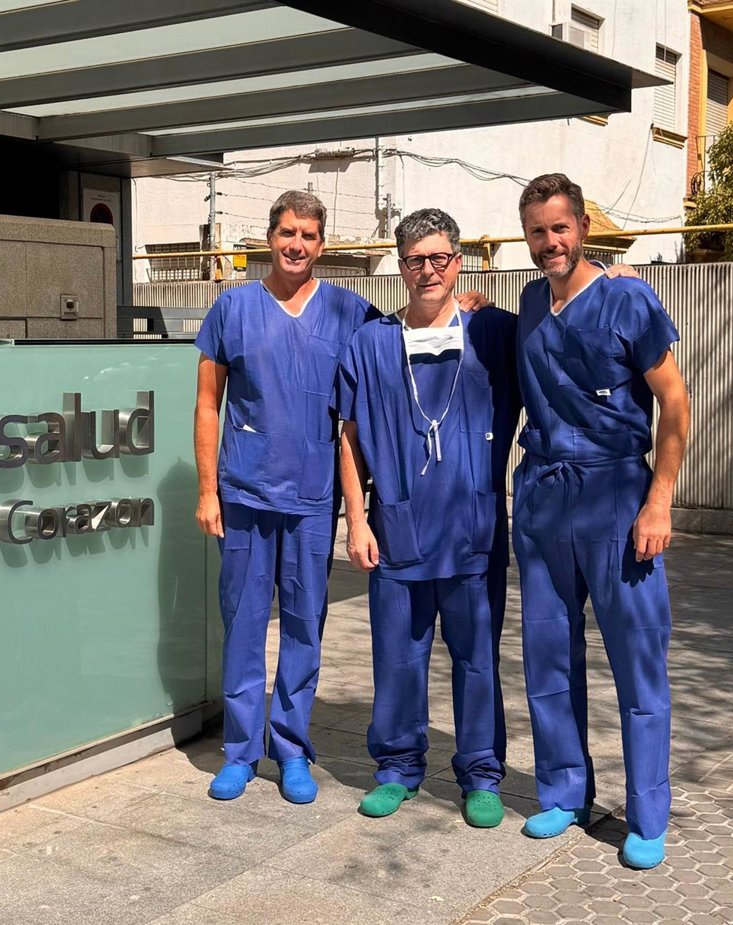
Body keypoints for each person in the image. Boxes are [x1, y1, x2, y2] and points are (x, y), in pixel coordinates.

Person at [513, 174, 689, 869]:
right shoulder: (529, 302)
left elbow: (674, 401)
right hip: (543, 494)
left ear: (583, 227)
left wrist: (659, 499)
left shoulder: (628, 298)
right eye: (537, 230)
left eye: (560, 227)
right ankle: (564, 792)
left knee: (637, 657)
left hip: (616, 493)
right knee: (548, 651)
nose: (550, 242)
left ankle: (646, 813)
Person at [335, 208, 520, 827]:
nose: (428, 271)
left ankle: (481, 775)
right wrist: (357, 520)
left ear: (458, 263)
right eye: (416, 260)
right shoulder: (371, 344)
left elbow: (565, 317)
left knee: (477, 660)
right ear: (400, 266)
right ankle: (397, 768)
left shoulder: (492, 334)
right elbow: (350, 438)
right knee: (397, 660)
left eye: (439, 258)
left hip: (472, 531)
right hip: (398, 530)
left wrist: (609, 271)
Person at [193, 190, 374, 803]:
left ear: (322, 244)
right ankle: (241, 751)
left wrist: (470, 302)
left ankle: (292, 748)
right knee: (243, 624)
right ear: (269, 237)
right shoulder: (233, 308)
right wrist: (208, 490)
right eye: (287, 232)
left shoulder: (348, 311)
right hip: (244, 493)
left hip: (312, 497)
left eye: (309, 235)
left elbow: (407, 329)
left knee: (303, 624)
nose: (297, 245)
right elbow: (207, 404)